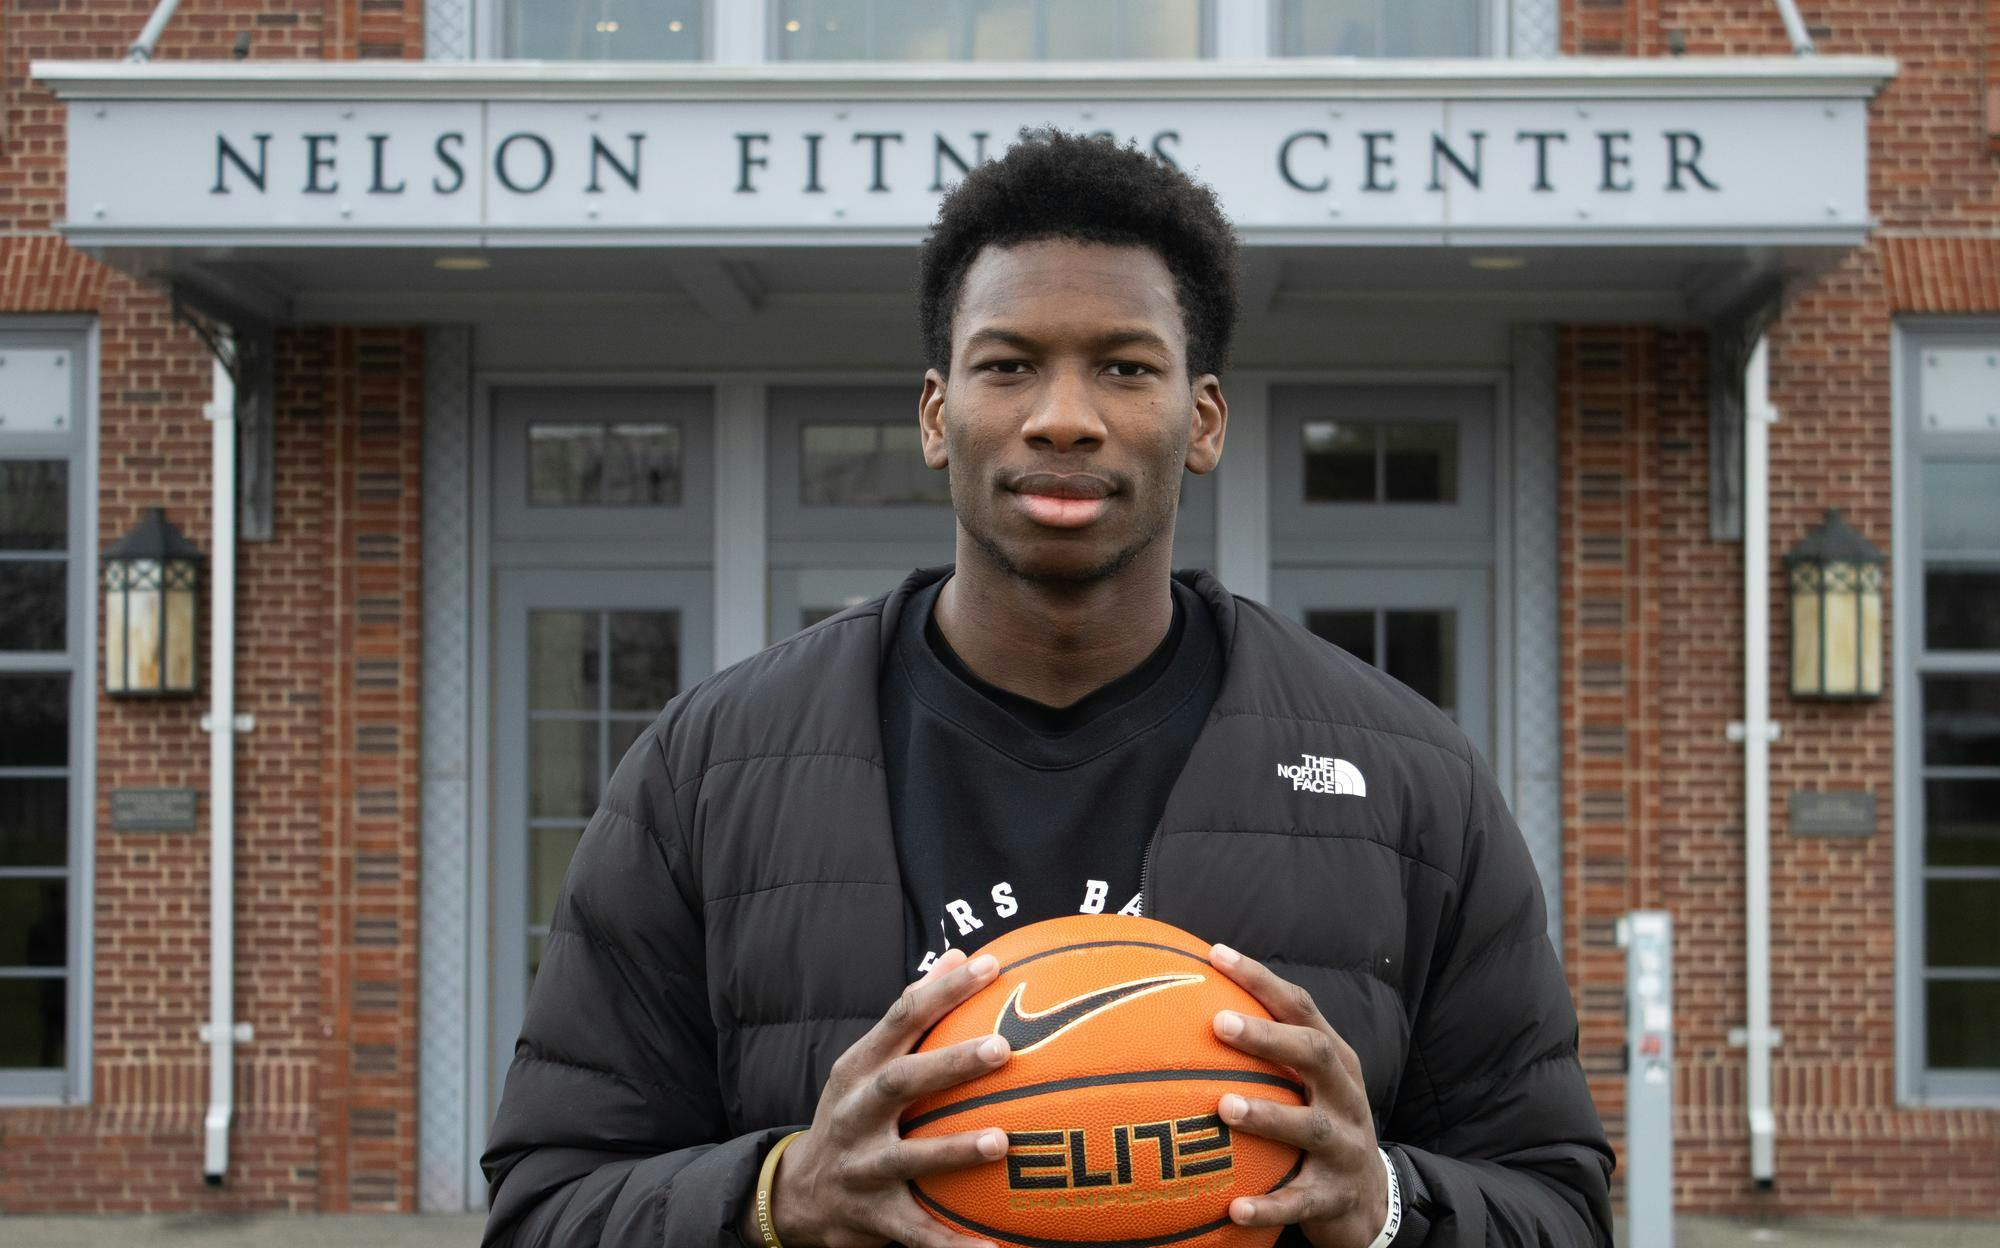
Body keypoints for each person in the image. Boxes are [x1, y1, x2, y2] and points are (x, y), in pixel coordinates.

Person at [482, 130, 1613, 1248]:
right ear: (937, 415)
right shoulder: (709, 770)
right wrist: (776, 1198)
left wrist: (1382, 1206)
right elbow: (545, 1203)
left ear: (1201, 419)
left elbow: (1554, 1204)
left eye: (1123, 366)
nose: (1062, 416)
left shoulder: (1407, 778)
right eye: (1007, 363)